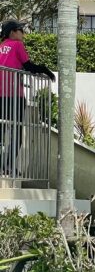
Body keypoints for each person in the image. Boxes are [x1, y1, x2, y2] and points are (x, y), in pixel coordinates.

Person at [0, 21, 54, 176]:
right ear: (13, 32)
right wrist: (45, 70)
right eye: (21, 30)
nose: (23, 34)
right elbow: (28, 66)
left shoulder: (1, 47)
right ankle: (8, 167)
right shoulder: (17, 45)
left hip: (0, 96)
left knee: (2, 130)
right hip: (14, 96)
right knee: (16, 132)